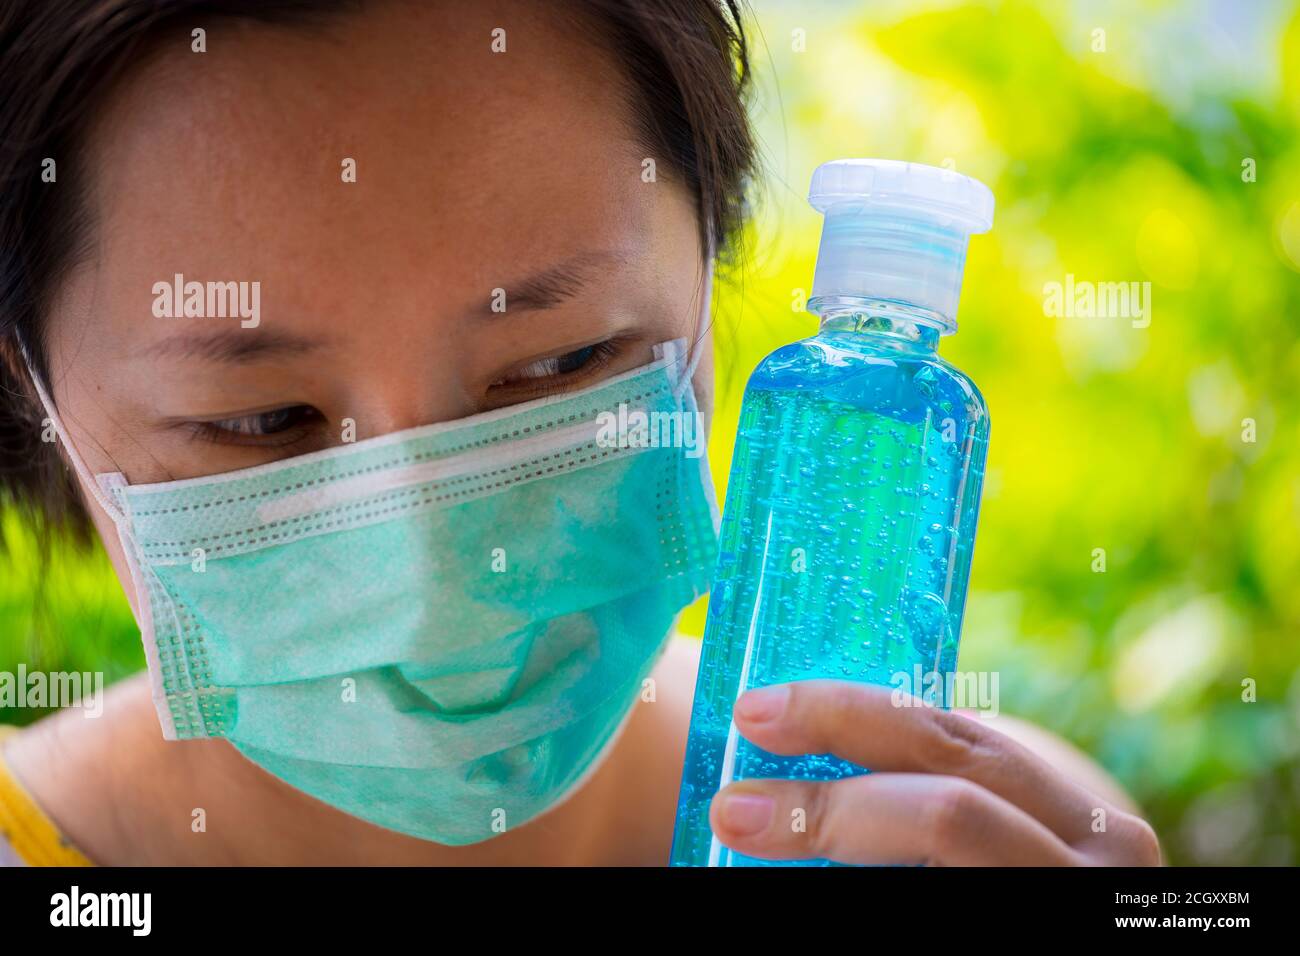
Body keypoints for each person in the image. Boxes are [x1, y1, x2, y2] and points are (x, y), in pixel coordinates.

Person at [0, 0, 1159, 866]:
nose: (436, 583)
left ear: (713, 269)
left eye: (559, 364)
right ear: (33, 393)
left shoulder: (982, 833)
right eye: (259, 422)